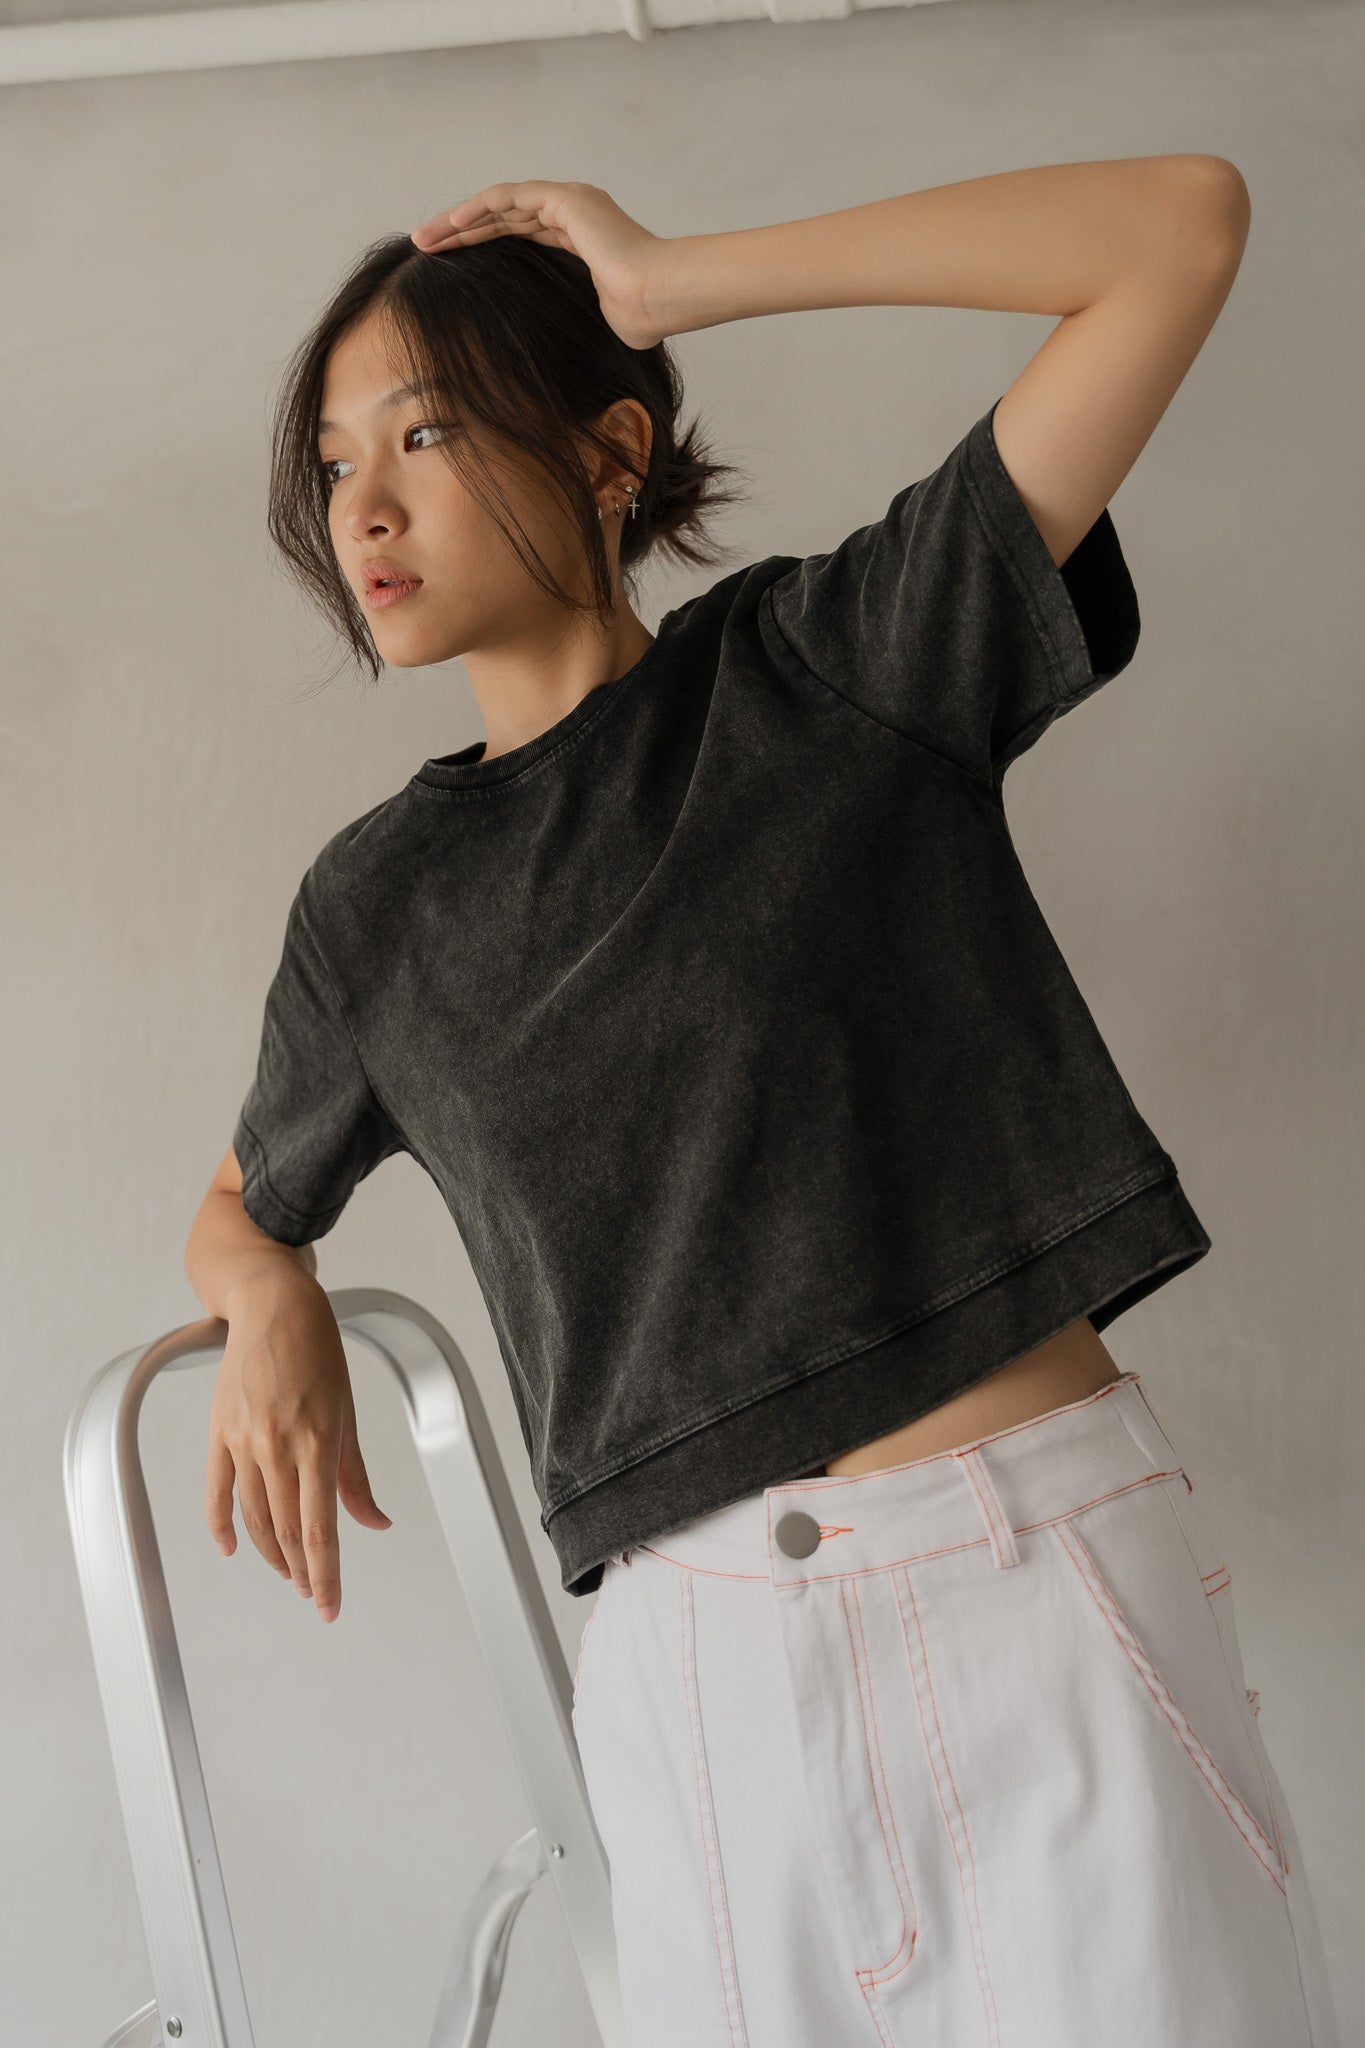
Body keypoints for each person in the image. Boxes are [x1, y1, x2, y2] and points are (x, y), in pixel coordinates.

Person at [182, 167, 1340, 2046]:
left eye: (426, 431)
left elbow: (1180, 230)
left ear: (610, 452)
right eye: (331, 462)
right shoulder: (374, 909)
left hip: (1029, 1587)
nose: (362, 506)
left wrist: (665, 280)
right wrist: (265, 1300)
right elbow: (246, 1201)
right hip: (700, 1679)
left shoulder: (835, 664)